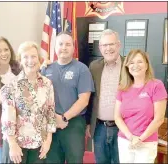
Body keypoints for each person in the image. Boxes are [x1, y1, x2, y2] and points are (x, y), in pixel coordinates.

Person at [41, 31, 95, 163]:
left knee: (74, 160)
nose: (64, 47)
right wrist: (55, 118)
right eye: (60, 44)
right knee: (51, 160)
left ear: (73, 48)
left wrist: (64, 118)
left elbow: (84, 100)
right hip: (50, 124)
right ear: (54, 47)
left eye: (68, 44)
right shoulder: (46, 69)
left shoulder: (82, 69)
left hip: (73, 124)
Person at [0, 41, 56, 163]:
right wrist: (12, 145)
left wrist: (48, 140)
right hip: (16, 145)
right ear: (20, 60)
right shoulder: (11, 86)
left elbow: (50, 113)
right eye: (25, 57)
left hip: (39, 144)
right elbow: (7, 119)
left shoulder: (47, 84)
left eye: (33, 56)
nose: (30, 60)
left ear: (39, 59)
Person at [114, 49, 167, 163]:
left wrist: (140, 139)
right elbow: (117, 117)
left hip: (146, 142)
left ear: (147, 65)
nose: (135, 65)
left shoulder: (156, 85)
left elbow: (159, 119)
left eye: (140, 62)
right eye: (132, 63)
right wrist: (130, 137)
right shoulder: (122, 87)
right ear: (127, 66)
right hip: (125, 140)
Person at [85, 29, 124, 163]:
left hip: (123, 127)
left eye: (111, 44)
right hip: (99, 128)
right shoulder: (94, 67)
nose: (108, 48)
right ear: (100, 48)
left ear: (118, 45)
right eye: (104, 45)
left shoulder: (128, 66)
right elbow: (90, 97)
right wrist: (88, 123)